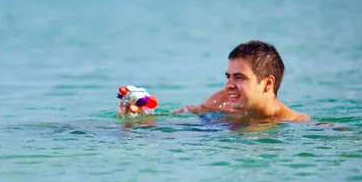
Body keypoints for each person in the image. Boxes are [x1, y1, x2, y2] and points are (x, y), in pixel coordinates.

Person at [119, 40, 309, 124]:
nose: (229, 85)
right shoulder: (221, 102)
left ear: (268, 84)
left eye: (239, 77)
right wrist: (141, 118)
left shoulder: (294, 123)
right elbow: (179, 118)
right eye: (229, 77)